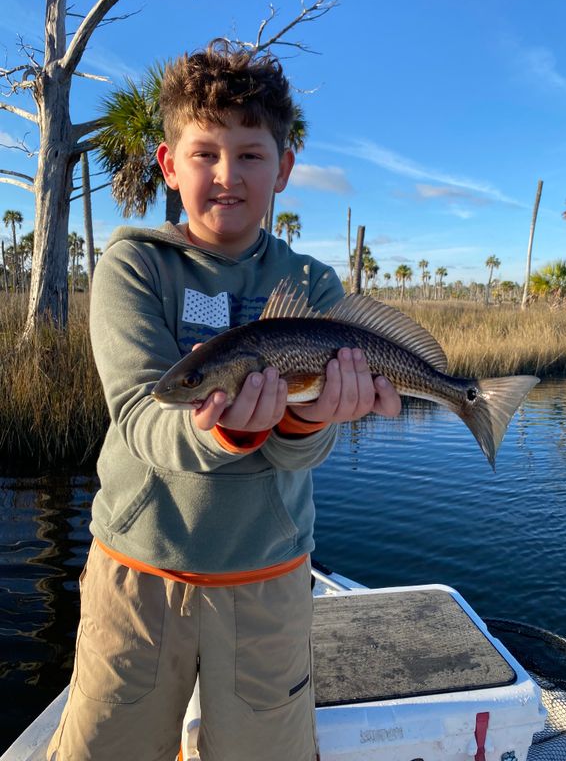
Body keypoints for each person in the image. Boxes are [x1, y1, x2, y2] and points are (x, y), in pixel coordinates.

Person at [48, 40, 401, 761]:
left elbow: (309, 447)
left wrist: (306, 414)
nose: (227, 175)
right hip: (138, 574)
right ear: (168, 165)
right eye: (205, 153)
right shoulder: (135, 265)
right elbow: (144, 415)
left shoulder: (313, 282)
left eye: (250, 154)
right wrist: (223, 433)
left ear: (285, 168)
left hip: (267, 578)